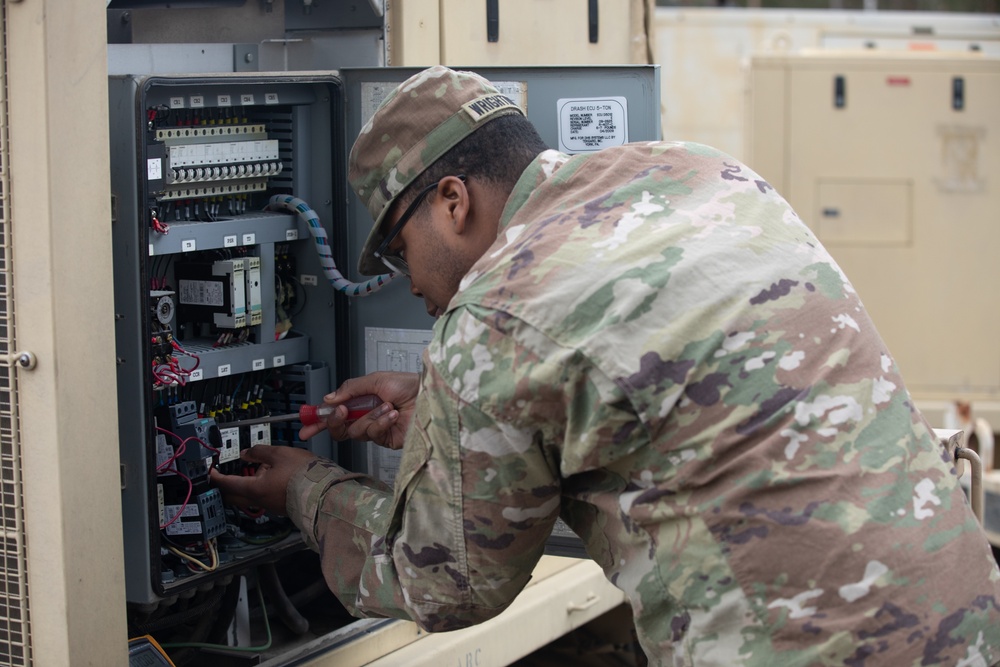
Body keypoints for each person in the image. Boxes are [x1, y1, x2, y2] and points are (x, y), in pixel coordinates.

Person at [211, 65, 1000, 666]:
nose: (405, 278)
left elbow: (443, 583)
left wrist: (303, 489)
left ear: (453, 200)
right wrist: (438, 399)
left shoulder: (495, 309)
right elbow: (651, 375)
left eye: (396, 246)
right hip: (957, 611)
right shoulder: (700, 175)